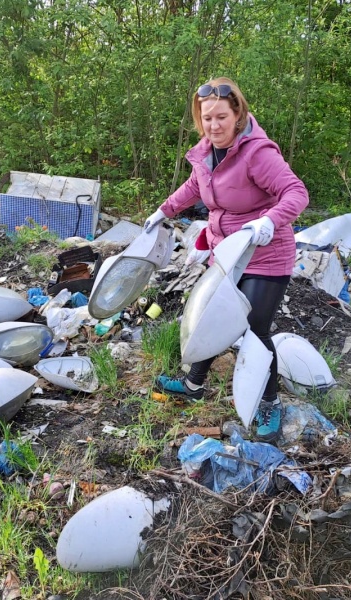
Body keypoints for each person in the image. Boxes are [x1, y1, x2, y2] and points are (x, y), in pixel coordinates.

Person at [142, 77, 309, 442]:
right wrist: (163, 210)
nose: (214, 125)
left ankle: (269, 404)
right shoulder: (206, 151)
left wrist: (269, 219)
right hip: (228, 252)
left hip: (266, 255)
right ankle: (193, 384)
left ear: (238, 114)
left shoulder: (257, 153)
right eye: (207, 118)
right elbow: (193, 188)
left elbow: (297, 192)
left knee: (255, 331)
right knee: (210, 315)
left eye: (221, 117)